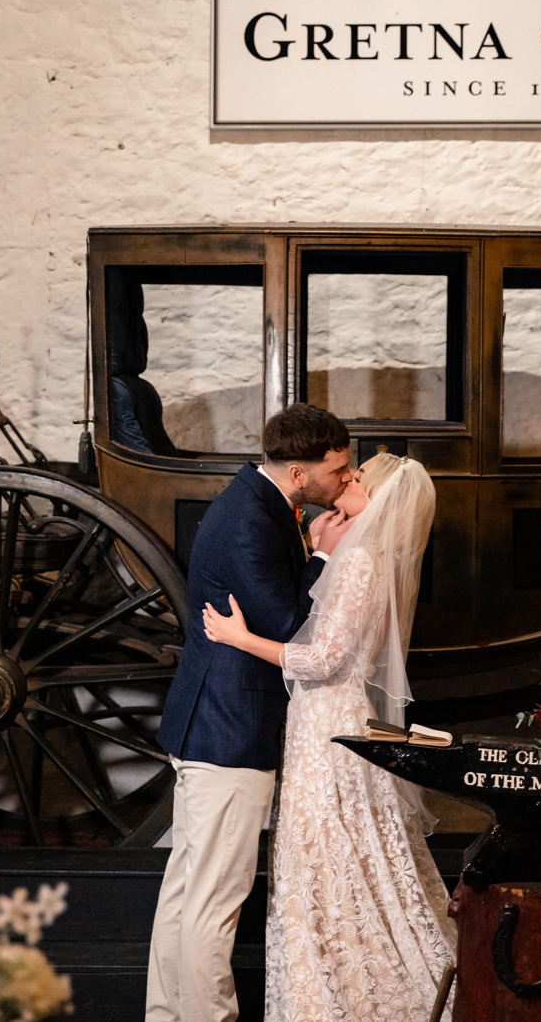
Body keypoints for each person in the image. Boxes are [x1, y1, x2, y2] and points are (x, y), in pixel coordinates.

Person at [203, 453, 458, 1022]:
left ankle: (341, 997)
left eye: (357, 478)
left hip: (328, 727)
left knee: (323, 861)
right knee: (339, 859)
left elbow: (323, 658)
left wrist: (237, 637)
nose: (347, 480)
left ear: (380, 501)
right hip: (334, 718)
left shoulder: (363, 559)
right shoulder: (369, 555)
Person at [146, 403, 354, 1022]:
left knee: (187, 891)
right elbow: (289, 626)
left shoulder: (260, 505)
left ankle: (166, 1016)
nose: (343, 480)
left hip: (212, 721)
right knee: (214, 901)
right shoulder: (249, 521)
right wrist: (320, 555)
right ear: (298, 472)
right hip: (228, 731)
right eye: (336, 470)